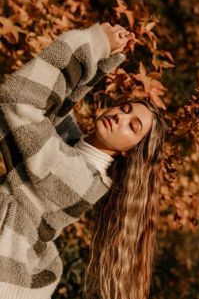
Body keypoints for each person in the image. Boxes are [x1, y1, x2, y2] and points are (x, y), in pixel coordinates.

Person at [0, 22, 168, 299]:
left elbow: (21, 98)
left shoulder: (79, 180)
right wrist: (103, 55)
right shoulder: (69, 147)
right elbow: (57, 104)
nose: (120, 117)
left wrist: (95, 41)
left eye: (132, 126)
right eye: (123, 108)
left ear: (130, 152)